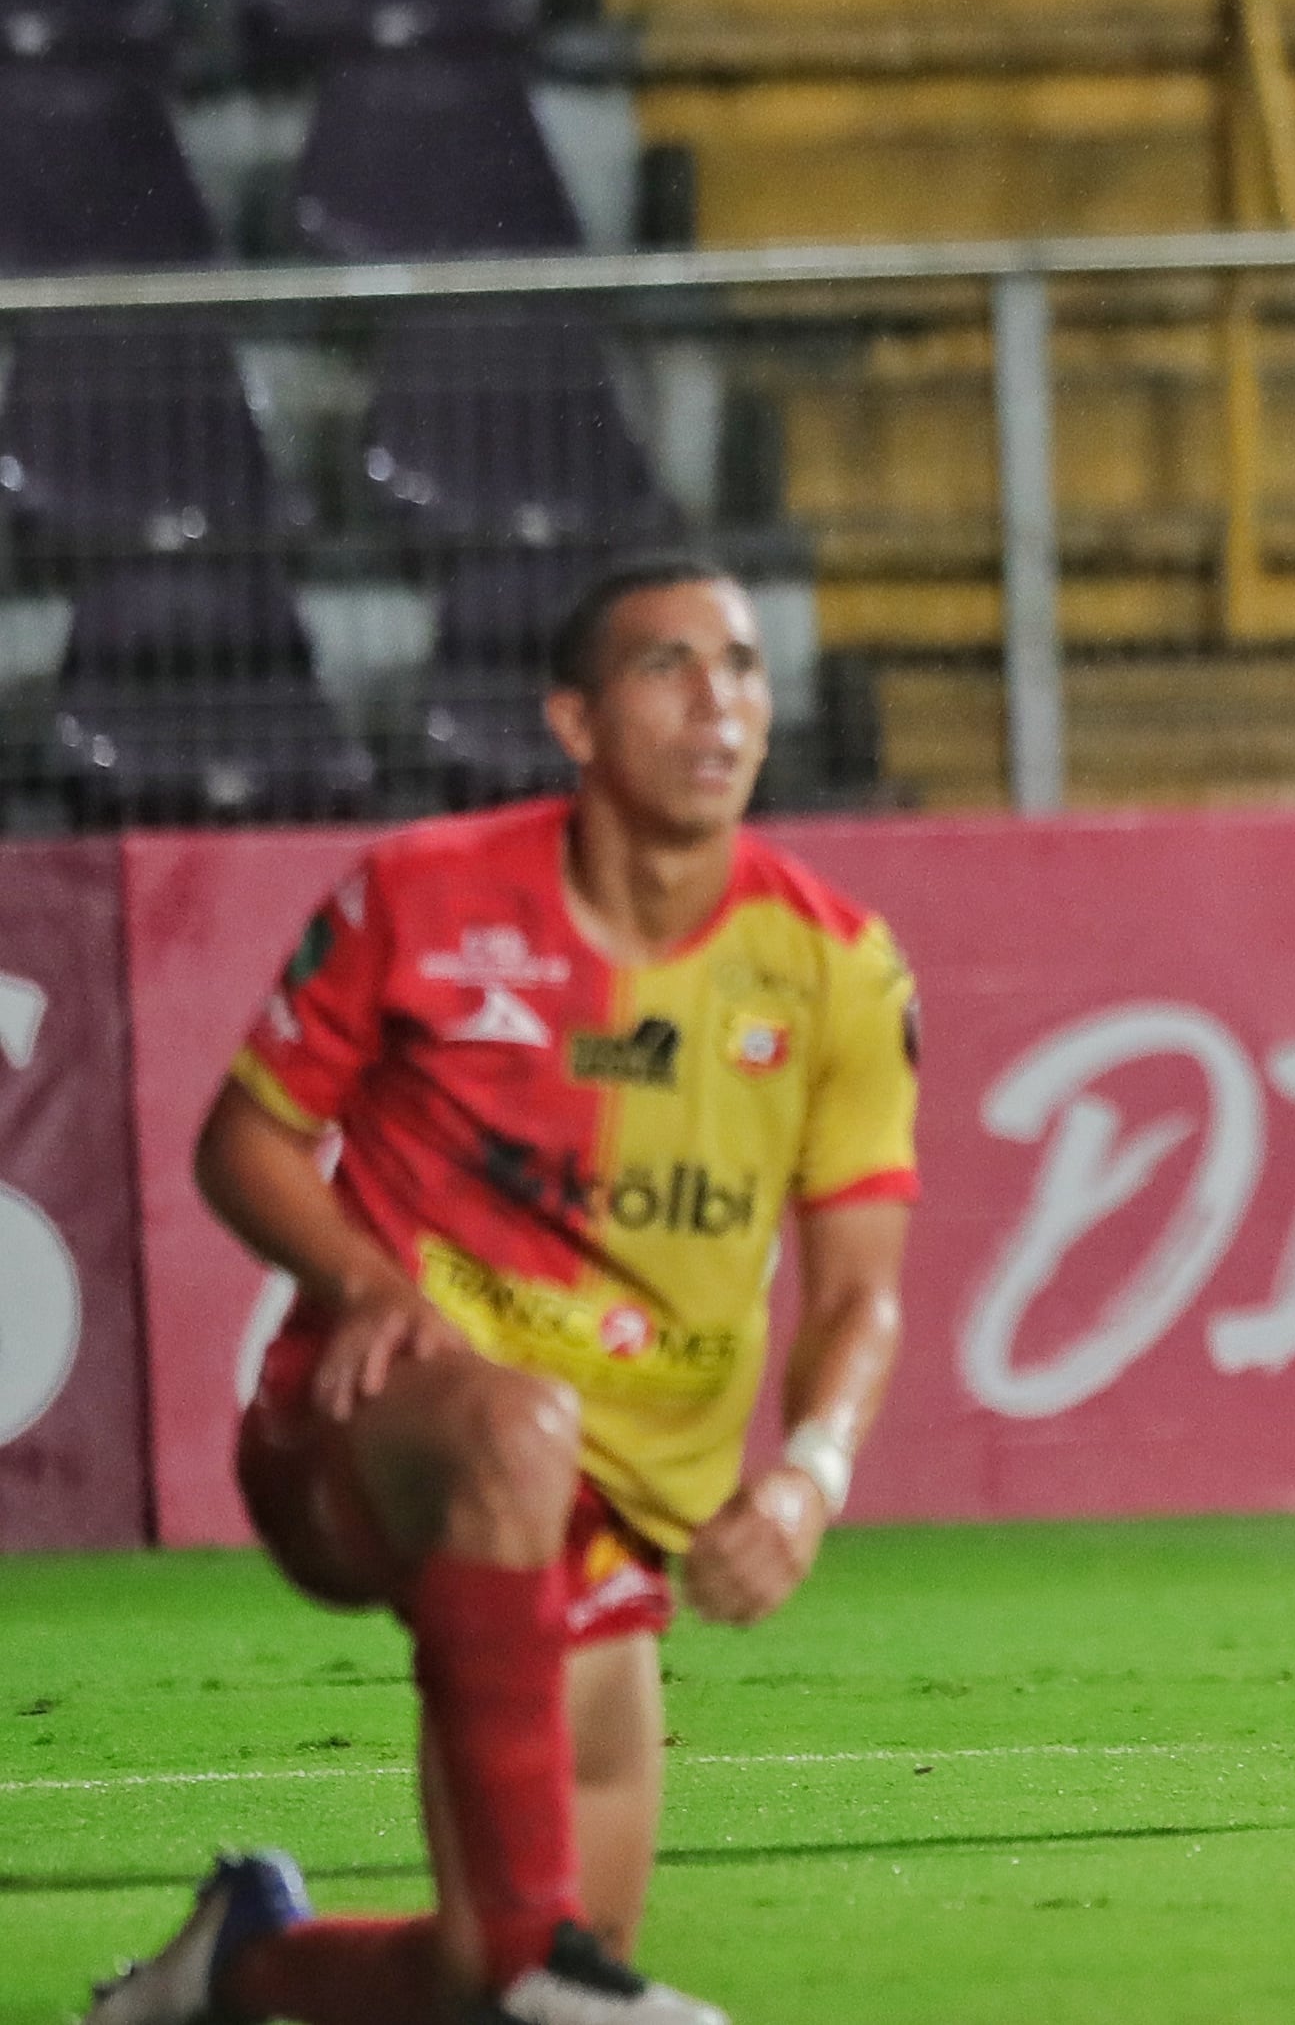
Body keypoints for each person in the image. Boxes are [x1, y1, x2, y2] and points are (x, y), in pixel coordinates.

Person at [88, 555, 921, 2025]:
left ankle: (238, 1966)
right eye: (667, 666)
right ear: (576, 722)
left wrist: (807, 1480)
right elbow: (244, 1142)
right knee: (519, 1435)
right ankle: (553, 1969)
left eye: (740, 666)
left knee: (481, 1973)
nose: (716, 701)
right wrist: (354, 1281)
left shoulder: (838, 968)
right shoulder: (425, 893)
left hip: (619, 1510)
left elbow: (862, 1293)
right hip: (362, 1429)